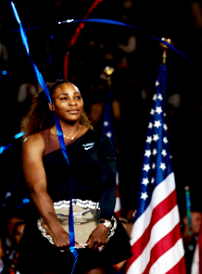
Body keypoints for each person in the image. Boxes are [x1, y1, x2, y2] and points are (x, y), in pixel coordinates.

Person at [16, 80, 131, 274]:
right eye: (64, 98)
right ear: (52, 105)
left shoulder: (100, 140)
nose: (73, 102)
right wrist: (56, 229)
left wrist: (104, 224)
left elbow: (109, 184)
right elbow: (37, 189)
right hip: (48, 228)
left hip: (95, 228)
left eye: (77, 97)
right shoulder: (35, 142)